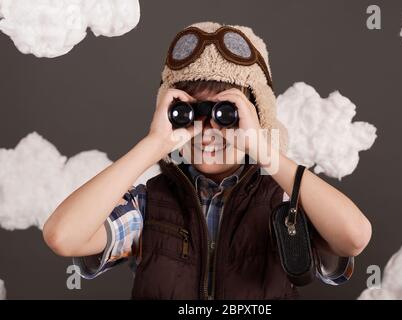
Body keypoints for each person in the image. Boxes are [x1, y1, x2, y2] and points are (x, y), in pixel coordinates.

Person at [43, 21, 371, 299]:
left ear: (257, 117)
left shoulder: (286, 202)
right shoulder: (149, 206)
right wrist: (154, 144)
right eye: (187, 114)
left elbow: (354, 236)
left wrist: (263, 148)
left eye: (226, 115)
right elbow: (64, 235)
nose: (207, 131)